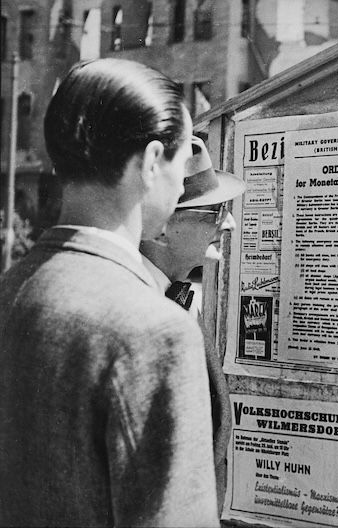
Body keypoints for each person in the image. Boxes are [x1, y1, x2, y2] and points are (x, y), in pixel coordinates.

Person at [0, 59, 219, 526]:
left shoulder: (11, 289)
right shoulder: (155, 330)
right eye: (183, 162)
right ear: (152, 162)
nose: (183, 182)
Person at [140, 136, 245, 511]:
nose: (229, 223)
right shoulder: (139, 312)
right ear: (164, 225)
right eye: (215, 211)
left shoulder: (179, 297)